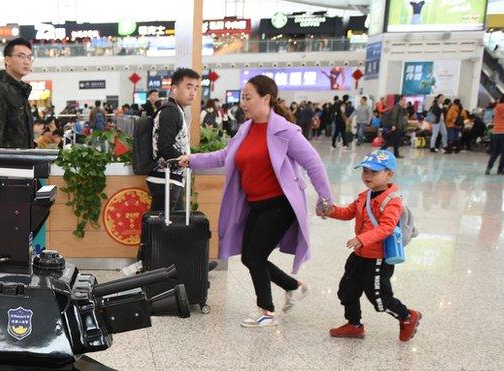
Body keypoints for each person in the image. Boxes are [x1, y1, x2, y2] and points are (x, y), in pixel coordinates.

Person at [179, 74, 332, 328]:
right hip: (256, 205)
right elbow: (224, 155)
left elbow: (313, 163)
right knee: (250, 257)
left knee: (256, 257)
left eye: (248, 97)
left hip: (279, 205)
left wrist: (325, 199)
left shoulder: (285, 132)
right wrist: (192, 159)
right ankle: (294, 287)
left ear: (266, 98)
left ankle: (266, 311)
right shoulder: (246, 129)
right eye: (242, 98)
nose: (243, 103)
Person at [322, 149, 422, 341]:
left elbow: (386, 227)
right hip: (359, 255)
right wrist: (330, 210)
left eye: (374, 172)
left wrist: (362, 238)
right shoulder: (365, 195)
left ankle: (408, 316)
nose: (367, 176)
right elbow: (348, 212)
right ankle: (354, 324)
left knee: (380, 300)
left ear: (389, 174)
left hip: (378, 258)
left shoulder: (392, 201)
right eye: (365, 171)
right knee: (346, 291)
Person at [146, 68, 199, 213]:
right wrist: (184, 160)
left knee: (172, 228)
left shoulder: (176, 110)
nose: (193, 92)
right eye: (188, 87)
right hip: (165, 179)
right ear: (174, 89)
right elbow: (165, 145)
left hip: (170, 179)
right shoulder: (170, 112)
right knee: (162, 229)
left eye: (195, 88)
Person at [0, 37, 34, 158]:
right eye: (21, 56)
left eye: (29, 57)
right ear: (7, 60)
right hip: (9, 168)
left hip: (24, 163)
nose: (27, 61)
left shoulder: (20, 90)